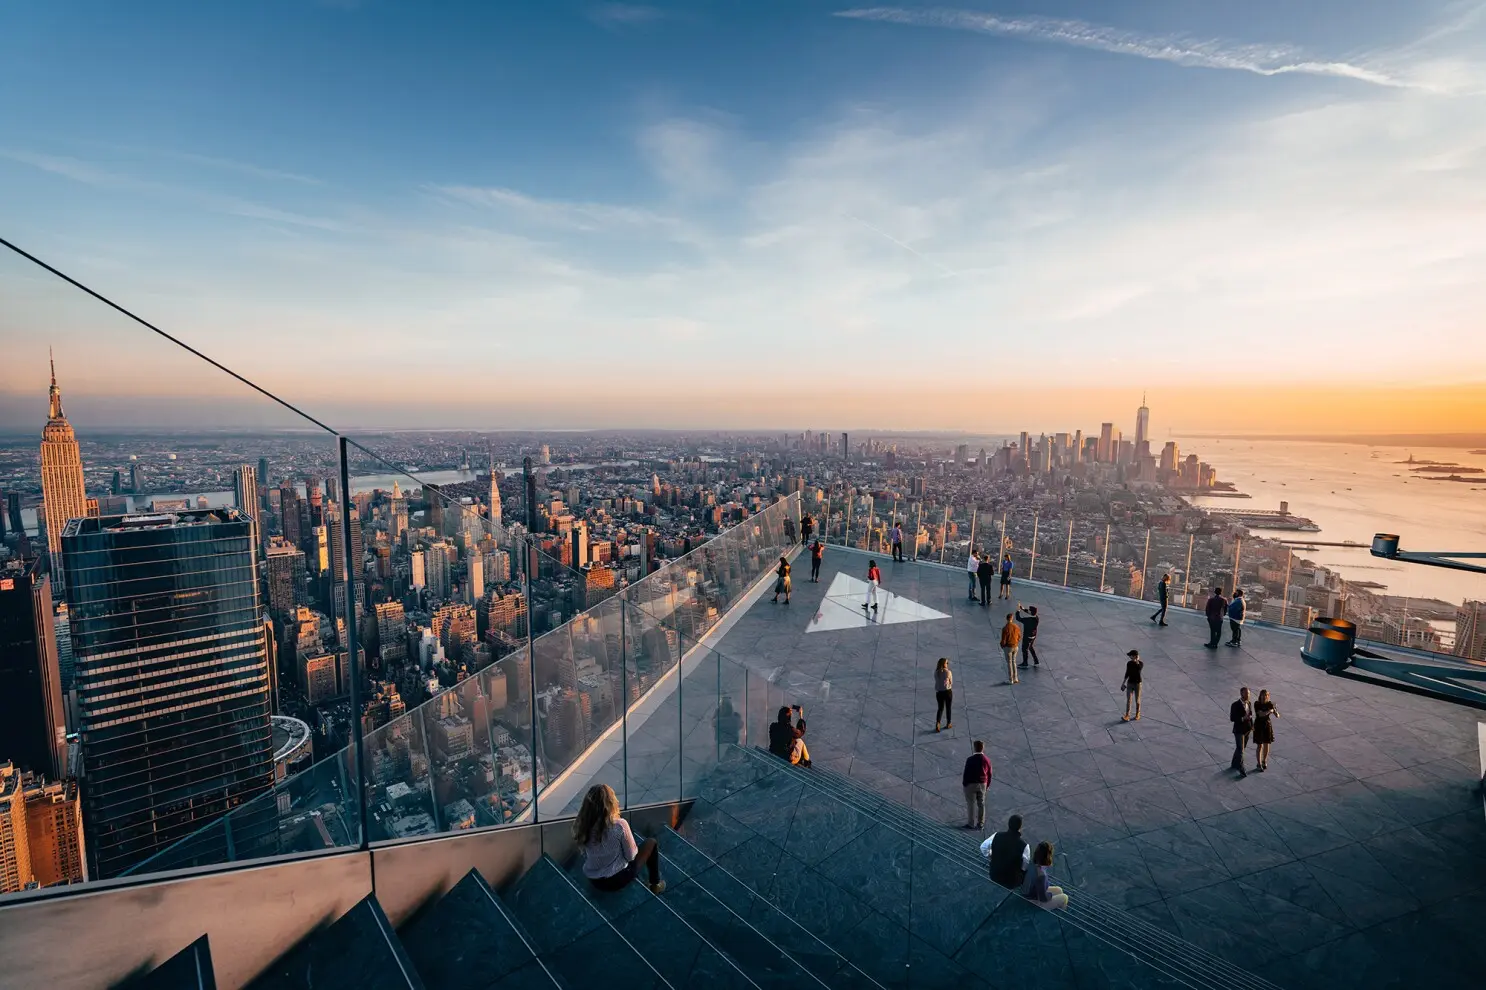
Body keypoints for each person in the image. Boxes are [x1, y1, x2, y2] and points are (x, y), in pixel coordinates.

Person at [576, 784, 665, 894]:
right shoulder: (619, 825)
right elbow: (631, 856)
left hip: (594, 880)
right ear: (611, 802)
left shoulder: (584, 825)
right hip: (617, 880)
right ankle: (655, 884)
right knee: (651, 843)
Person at [980, 814, 1030, 888]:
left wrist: (991, 855)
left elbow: (983, 847)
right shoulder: (1025, 846)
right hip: (1012, 881)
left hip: (994, 875)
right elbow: (1024, 866)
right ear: (1020, 827)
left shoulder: (996, 835)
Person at [1021, 842, 1068, 910]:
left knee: (1059, 890)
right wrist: (1050, 895)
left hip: (1029, 893)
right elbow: (1043, 898)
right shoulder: (1041, 875)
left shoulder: (1032, 864)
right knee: (1064, 897)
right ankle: (1063, 910)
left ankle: (1056, 905)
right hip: (1034, 901)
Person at [961, 740, 992, 830]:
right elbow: (989, 774)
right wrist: (987, 785)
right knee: (981, 804)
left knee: (971, 804)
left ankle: (971, 823)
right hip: (983, 784)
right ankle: (980, 823)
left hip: (971, 784)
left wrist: (965, 784)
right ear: (983, 748)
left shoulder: (970, 759)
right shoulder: (987, 760)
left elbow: (966, 773)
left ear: (974, 748)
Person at [1253, 689, 1280, 771]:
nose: (1264, 697)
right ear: (1260, 696)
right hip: (1258, 726)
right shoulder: (1257, 704)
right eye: (1263, 695)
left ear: (1268, 696)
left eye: (1266, 695)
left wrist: (1275, 711)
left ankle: (1264, 761)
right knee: (1259, 745)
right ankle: (1258, 763)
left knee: (1267, 744)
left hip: (1267, 725)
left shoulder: (1270, 704)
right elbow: (1261, 714)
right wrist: (1270, 711)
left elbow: (1277, 716)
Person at [1229, 686, 1254, 777]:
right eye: (1246, 693)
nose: (1248, 695)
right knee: (1241, 750)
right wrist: (1243, 718)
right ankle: (1241, 767)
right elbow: (1232, 718)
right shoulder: (1235, 705)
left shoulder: (1249, 703)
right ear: (1241, 694)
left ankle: (1234, 764)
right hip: (1239, 730)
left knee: (1241, 748)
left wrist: (1252, 726)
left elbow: (1250, 715)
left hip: (1247, 730)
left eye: (1249, 694)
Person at [1120, 649, 1143, 721]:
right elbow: (1127, 673)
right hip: (1130, 683)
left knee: (1137, 700)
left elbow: (1139, 669)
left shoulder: (1140, 664)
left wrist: (1137, 661)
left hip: (1137, 684)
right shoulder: (1129, 663)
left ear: (1134, 656)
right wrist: (1123, 682)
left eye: (1131, 655)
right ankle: (1127, 715)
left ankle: (1137, 714)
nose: (1129, 657)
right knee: (1129, 700)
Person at [1000, 613, 1022, 684]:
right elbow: (1019, 636)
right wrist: (1016, 642)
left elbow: (1003, 640)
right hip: (1015, 646)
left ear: (1007, 619)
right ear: (1012, 618)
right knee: (1014, 662)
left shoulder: (1005, 628)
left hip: (1008, 647)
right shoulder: (1016, 626)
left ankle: (1010, 679)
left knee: (1009, 663)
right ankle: (1016, 678)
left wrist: (1002, 646)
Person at [934, 657, 954, 731]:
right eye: (947, 663)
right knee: (948, 708)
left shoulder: (936, 672)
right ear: (944, 664)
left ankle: (938, 722)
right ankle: (948, 723)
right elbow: (951, 682)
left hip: (939, 693)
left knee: (940, 708)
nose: (947, 664)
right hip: (947, 692)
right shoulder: (948, 672)